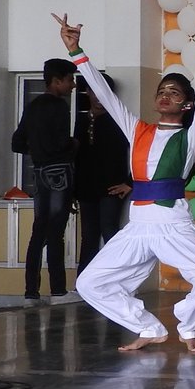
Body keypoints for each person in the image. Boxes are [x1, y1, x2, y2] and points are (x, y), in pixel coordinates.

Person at [55, 12, 195, 352]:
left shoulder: (190, 137)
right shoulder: (137, 130)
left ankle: (188, 329)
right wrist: (76, 51)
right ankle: (147, 327)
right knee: (89, 283)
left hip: (174, 224)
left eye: (174, 92)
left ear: (186, 104)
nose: (166, 95)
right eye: (162, 91)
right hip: (138, 226)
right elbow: (105, 95)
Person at [14, 56, 77, 304]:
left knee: (38, 232)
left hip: (39, 173)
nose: (73, 85)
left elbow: (17, 142)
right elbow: (61, 144)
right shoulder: (59, 107)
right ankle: (58, 291)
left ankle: (31, 292)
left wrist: (37, 150)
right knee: (55, 233)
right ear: (57, 81)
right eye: (70, 80)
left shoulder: (33, 105)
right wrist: (74, 145)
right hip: (60, 173)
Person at [73, 71, 133, 272]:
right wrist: (73, 190)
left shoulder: (119, 122)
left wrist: (129, 183)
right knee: (88, 236)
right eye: (95, 92)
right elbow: (77, 157)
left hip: (111, 187)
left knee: (110, 232)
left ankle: (116, 279)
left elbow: (141, 153)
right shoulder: (81, 121)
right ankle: (84, 282)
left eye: (104, 93)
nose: (99, 98)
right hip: (86, 188)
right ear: (88, 92)